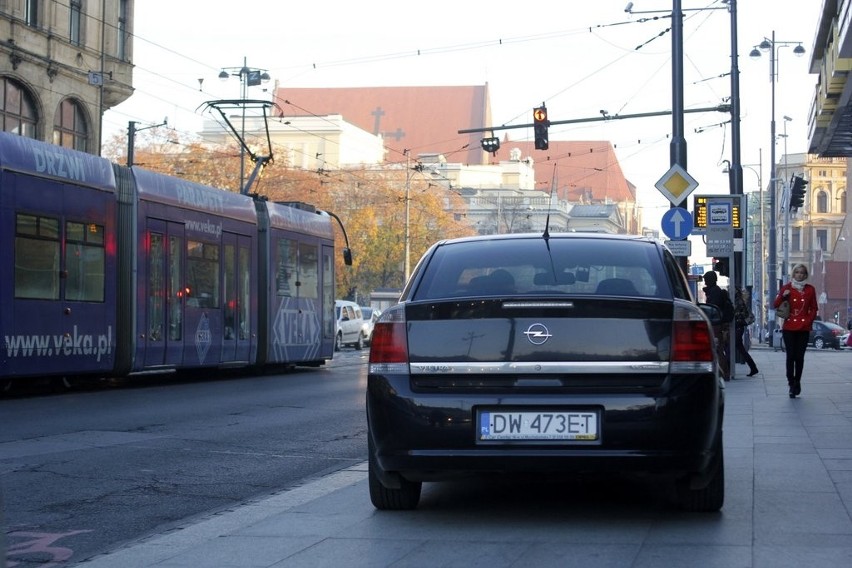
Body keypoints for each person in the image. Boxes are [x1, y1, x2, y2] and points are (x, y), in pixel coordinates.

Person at [773, 263, 818, 398]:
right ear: (793, 274)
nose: (800, 275)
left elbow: (814, 308)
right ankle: (790, 382)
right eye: (797, 272)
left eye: (802, 273)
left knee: (799, 357)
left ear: (806, 275)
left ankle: (797, 381)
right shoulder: (787, 287)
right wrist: (783, 296)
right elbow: (775, 305)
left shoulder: (810, 289)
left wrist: (809, 320)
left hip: (803, 327)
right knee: (790, 356)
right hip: (789, 327)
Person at [703, 271, 732, 380]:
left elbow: (712, 308)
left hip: (716, 324)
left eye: (706, 280)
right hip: (718, 324)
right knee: (718, 348)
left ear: (711, 280)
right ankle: (724, 372)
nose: (705, 282)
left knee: (718, 348)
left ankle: (724, 372)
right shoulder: (715, 291)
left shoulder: (715, 292)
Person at [734, 287, 759, 377]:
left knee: (737, 347)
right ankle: (753, 367)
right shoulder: (740, 301)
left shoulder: (738, 302)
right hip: (739, 327)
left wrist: (741, 322)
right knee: (740, 348)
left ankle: (753, 367)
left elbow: (738, 314)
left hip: (737, 327)